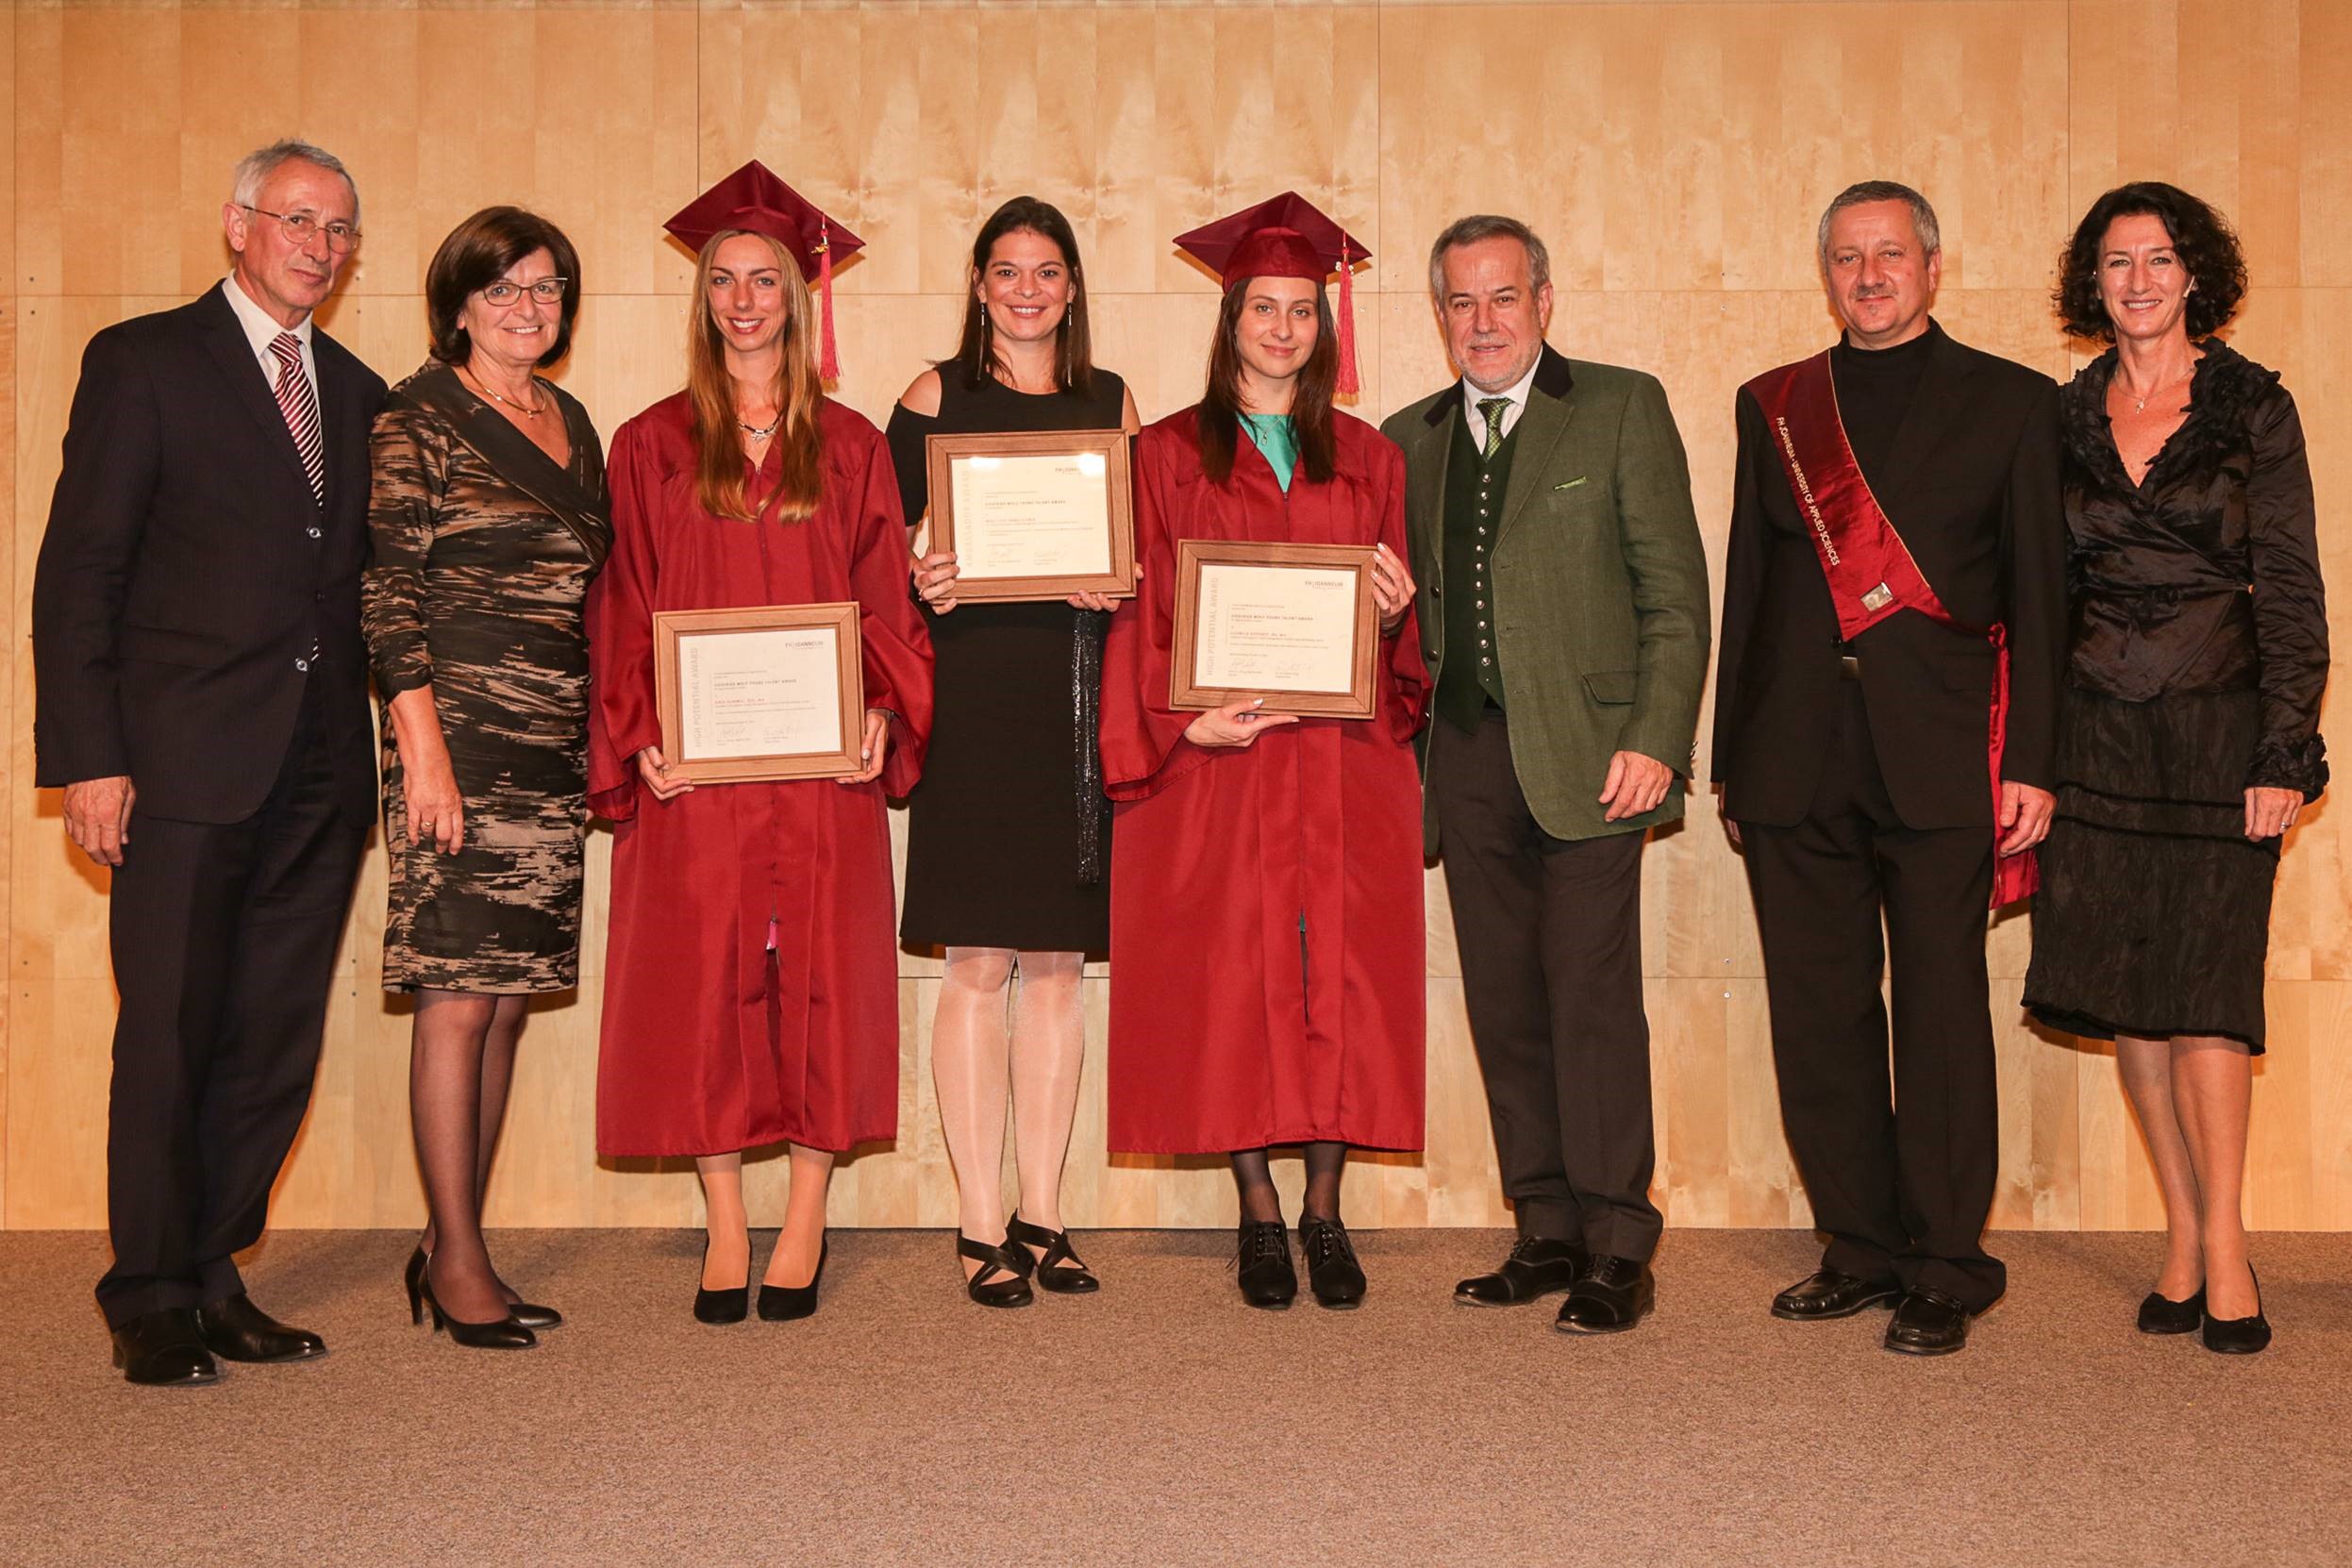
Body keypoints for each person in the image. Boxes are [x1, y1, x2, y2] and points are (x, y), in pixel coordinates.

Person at [31, 140, 387, 1385]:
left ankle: (214, 1263)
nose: (319, 244)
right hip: (181, 764)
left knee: (272, 1037)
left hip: (320, 769)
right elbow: (83, 571)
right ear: (237, 225)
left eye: (339, 229)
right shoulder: (144, 363)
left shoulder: (354, 389)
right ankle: (147, 1286)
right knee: (173, 1030)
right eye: (297, 218)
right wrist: (91, 754)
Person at [1713, 180, 2065, 1356]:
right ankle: (1860, 1246)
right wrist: (1729, 761)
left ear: (1932, 265)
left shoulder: (2015, 404)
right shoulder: (1775, 406)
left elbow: (2041, 603)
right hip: (1792, 760)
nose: (1869, 276)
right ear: (1828, 275)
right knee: (1819, 1016)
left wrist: (2033, 763)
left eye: (1890, 255)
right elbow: (1749, 597)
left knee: (1940, 1011)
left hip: (1944, 757)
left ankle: (1950, 1262)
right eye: (1848, 259)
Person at [587, 162, 933, 1325]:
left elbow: (887, 602)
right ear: (702, 300)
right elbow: (624, 605)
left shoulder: (848, 446)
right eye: (724, 280)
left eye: (766, 279)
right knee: (704, 988)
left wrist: (883, 713)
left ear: (799, 292)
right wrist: (637, 737)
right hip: (703, 773)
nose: (745, 300)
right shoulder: (647, 446)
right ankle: (726, 1221)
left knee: (825, 981)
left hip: (823, 769)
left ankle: (806, 1218)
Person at [1380, 215, 1710, 1335]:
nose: (1484, 322)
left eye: (1503, 298)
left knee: (1592, 1001)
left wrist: (1657, 737)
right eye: (1462, 304)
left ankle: (1619, 1238)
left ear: (1545, 300)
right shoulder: (1408, 437)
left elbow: (1675, 592)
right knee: (1506, 1002)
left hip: (1594, 760)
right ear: (1440, 317)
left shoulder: (1621, 406)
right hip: (1464, 760)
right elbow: (1399, 611)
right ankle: (1545, 1227)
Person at [1100, 192, 1428, 1309]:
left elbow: (1400, 640)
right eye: (1263, 308)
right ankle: (1256, 1211)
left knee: (1340, 969)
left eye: (1300, 311)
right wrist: (1175, 717)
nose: (1282, 329)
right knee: (1233, 966)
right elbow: (1134, 613)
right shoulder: (1162, 456)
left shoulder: (1373, 459)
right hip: (1218, 758)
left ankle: (1326, 1213)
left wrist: (1393, 616)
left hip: (1341, 759)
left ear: (1322, 327)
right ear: (1230, 317)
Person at [2022, 183, 2326, 1356]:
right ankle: (2185, 1231)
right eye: (2115, 263)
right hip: (2096, 730)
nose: (2137, 282)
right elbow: (2040, 593)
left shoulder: (2255, 406)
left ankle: (2232, 1246)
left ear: (2194, 274)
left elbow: (2292, 588)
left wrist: (2284, 751)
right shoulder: (2060, 416)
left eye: (2157, 260)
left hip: (2220, 729)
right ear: (2090, 285)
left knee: (2208, 997)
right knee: (2128, 1000)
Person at [362, 207, 609, 1350]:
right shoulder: (416, 418)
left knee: (509, 999)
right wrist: (421, 749)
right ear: (458, 303)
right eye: (503, 288)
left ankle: (458, 1239)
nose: (528, 307)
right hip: (451, 736)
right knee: (458, 999)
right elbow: (387, 593)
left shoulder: (571, 420)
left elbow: (603, 589)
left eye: (547, 288)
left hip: (548, 742)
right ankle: (454, 1258)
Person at [887, 197, 1142, 1307]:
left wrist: (1120, 574)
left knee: (1054, 968)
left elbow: (1144, 550)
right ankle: (977, 1218)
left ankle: (1044, 1210)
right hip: (973, 694)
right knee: (975, 961)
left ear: (1073, 287)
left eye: (1047, 270)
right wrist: (918, 572)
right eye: (1007, 271)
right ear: (979, 284)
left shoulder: (1113, 400)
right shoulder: (934, 396)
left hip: (1075, 698)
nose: (1027, 288)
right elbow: (882, 542)